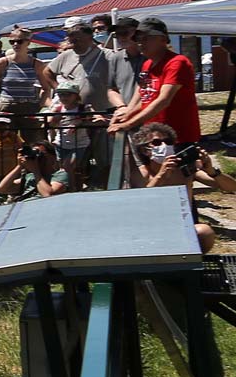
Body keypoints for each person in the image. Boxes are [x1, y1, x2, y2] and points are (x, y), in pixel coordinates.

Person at [46, 14, 126, 183]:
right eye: (71, 40)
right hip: (74, 117)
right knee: (75, 161)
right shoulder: (66, 56)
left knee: (104, 157)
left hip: (100, 116)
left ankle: (106, 187)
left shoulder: (107, 56)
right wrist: (59, 91)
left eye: (78, 40)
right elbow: (47, 72)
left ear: (90, 38)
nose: (74, 44)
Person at [109, 17, 201, 148]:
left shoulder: (177, 62)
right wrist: (126, 115)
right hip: (153, 136)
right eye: (138, 39)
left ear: (163, 39)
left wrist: (128, 125)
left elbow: (163, 100)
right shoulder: (147, 64)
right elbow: (146, 97)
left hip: (178, 137)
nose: (141, 43)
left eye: (146, 38)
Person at [130, 123, 222, 252]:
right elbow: (136, 203)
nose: (164, 146)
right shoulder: (140, 174)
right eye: (156, 143)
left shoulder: (185, 169)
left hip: (181, 227)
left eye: (167, 141)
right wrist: (160, 176)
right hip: (149, 229)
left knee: (205, 232)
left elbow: (229, 186)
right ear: (145, 150)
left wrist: (212, 170)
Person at [0, 26, 54, 141]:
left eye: (19, 41)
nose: (15, 44)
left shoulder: (37, 64)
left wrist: (39, 104)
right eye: (12, 41)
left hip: (29, 107)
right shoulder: (2, 63)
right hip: (6, 106)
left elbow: (46, 88)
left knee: (32, 142)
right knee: (6, 142)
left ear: (28, 43)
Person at [46, 80, 98, 192]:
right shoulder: (59, 109)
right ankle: (70, 188)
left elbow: (97, 120)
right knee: (64, 169)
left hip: (79, 144)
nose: (64, 97)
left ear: (75, 95)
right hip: (61, 143)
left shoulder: (84, 108)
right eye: (61, 94)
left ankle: (73, 190)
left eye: (67, 94)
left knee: (69, 166)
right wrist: (53, 119)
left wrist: (79, 123)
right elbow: (49, 123)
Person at [0, 141, 71, 202]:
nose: (37, 158)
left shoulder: (60, 175)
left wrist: (35, 171)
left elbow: (47, 195)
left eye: (41, 154)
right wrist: (19, 166)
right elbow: (1, 189)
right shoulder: (29, 176)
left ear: (52, 157)